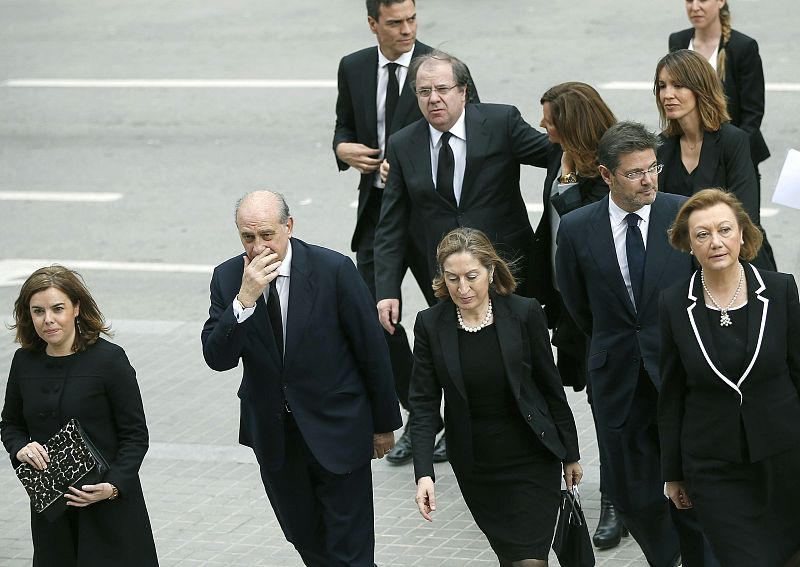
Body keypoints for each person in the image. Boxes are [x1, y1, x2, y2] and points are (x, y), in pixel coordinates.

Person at [201, 190, 402, 566]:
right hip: (277, 437)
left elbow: (371, 351)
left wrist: (384, 424)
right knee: (307, 541)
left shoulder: (334, 270)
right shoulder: (229, 278)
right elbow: (217, 358)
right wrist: (244, 301)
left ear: (288, 227)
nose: (259, 246)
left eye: (267, 235)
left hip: (338, 428)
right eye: (248, 237)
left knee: (352, 551)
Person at [556, 121, 715, 567]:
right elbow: (576, 304)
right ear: (606, 176)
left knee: (693, 487)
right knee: (632, 493)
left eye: (653, 168)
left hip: (678, 372)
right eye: (634, 173)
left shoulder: (682, 214)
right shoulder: (576, 228)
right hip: (617, 376)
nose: (648, 180)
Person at [333, 0, 479, 466]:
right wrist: (343, 148)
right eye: (395, 23)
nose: (407, 30)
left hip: (433, 217)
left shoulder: (439, 68)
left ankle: (462, 422)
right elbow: (345, 124)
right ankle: (422, 420)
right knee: (380, 317)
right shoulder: (353, 67)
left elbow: (471, 127)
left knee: (452, 317)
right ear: (373, 24)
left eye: (412, 20)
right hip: (380, 214)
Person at [410, 227, 583, 567]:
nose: (463, 288)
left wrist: (571, 454)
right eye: (452, 278)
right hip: (478, 466)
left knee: (530, 561)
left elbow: (551, 389)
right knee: (511, 558)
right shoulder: (430, 324)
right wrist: (424, 472)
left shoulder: (524, 313)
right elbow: (423, 403)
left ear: (491, 271)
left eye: (471, 276)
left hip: (532, 456)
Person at [659, 188, 800, 566]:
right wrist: (673, 473)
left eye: (724, 230)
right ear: (688, 243)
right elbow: (671, 393)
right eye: (702, 234)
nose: (715, 242)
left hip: (784, 456)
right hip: (713, 465)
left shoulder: (781, 288)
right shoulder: (674, 303)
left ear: (742, 234)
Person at [374, 49, 550, 333]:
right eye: (424, 91)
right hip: (449, 280)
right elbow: (390, 225)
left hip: (506, 268)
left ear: (463, 91)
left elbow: (552, 154)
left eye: (442, 89)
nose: (433, 98)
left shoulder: (500, 123)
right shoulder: (403, 144)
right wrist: (387, 290)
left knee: (520, 353)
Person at [0, 265, 158, 567]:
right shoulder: (24, 362)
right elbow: (10, 423)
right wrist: (20, 447)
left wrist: (112, 486)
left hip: (109, 510)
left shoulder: (110, 360)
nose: (48, 320)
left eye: (57, 308)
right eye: (38, 311)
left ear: (76, 308)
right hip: (53, 513)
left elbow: (135, 435)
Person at [532, 81, 626, 550]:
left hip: (602, 308)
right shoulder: (560, 155)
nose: (543, 128)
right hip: (566, 305)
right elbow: (547, 231)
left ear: (571, 124)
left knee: (608, 407)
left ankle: (616, 502)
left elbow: (590, 234)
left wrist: (568, 185)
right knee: (597, 402)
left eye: (550, 119)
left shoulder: (606, 170)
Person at [654, 48, 775, 270]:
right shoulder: (661, 147)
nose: (667, 94)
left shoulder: (733, 140)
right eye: (662, 86)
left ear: (701, 89)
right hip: (679, 265)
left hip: (734, 262)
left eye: (678, 85)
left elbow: (745, 215)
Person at [668, 1, 769, 177]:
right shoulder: (678, 41)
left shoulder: (743, 47)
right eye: (690, 0)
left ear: (721, 1)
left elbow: (752, 114)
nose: (695, 7)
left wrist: (731, 151)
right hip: (689, 155)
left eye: (703, 0)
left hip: (733, 156)